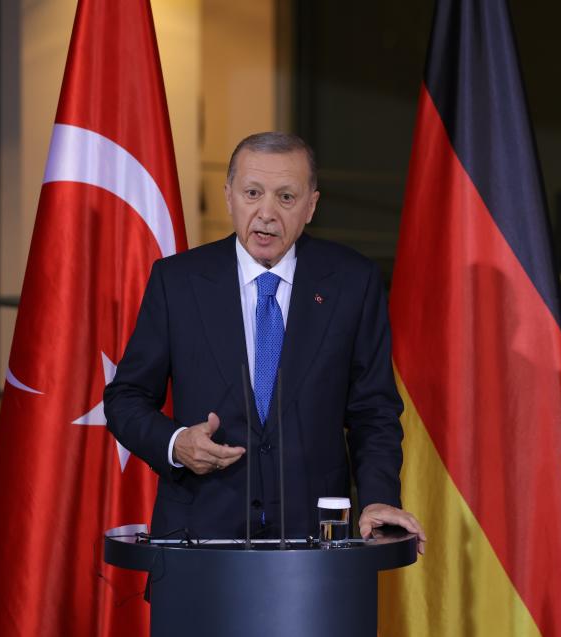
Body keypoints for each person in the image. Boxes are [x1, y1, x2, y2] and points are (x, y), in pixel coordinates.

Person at [105, 132, 425, 551]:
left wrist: (379, 498)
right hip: (199, 536)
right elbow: (125, 397)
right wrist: (175, 443)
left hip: (316, 543)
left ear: (311, 206)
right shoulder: (177, 281)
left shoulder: (352, 282)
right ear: (229, 196)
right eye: (252, 193)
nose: (266, 213)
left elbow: (374, 410)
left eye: (286, 197)